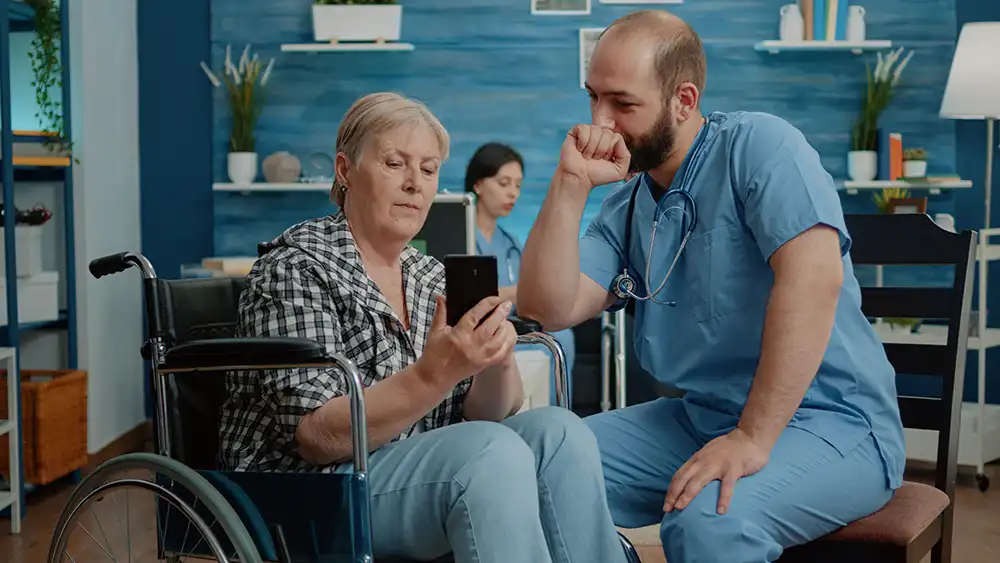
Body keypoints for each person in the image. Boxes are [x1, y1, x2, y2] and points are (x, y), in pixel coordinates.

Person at [517, 10, 905, 563]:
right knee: (529, 465)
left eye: (623, 104)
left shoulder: (761, 146)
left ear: (684, 99)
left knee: (704, 522)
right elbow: (546, 307)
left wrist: (751, 438)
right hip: (701, 417)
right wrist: (570, 183)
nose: (600, 123)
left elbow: (814, 279)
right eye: (593, 98)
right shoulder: (627, 206)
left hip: (831, 422)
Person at [217, 92, 627, 563]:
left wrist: (492, 362)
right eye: (395, 163)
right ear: (345, 170)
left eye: (429, 170)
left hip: (411, 471)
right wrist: (435, 373)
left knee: (561, 434)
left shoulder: (431, 276)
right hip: (313, 495)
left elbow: (486, 415)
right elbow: (318, 438)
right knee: (487, 454)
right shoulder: (296, 268)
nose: (414, 184)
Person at [464, 142, 577, 376]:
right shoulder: (461, 237)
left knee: (563, 336)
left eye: (517, 185)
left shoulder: (511, 243)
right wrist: (518, 291)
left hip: (513, 326)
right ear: (478, 184)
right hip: (477, 332)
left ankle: (555, 411)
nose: (513, 192)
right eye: (503, 183)